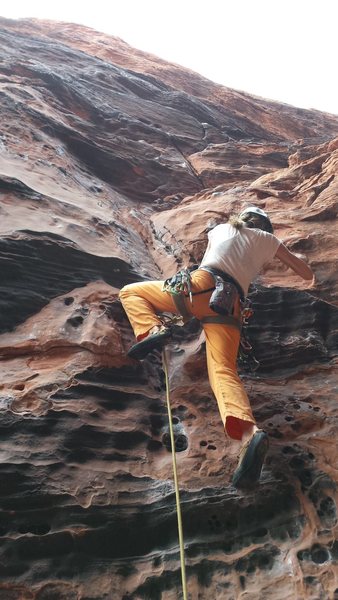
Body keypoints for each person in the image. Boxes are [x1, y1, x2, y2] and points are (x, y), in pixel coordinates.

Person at [119, 206, 315, 488]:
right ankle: (250, 434)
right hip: (231, 307)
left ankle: (152, 329)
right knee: (223, 372)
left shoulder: (222, 229)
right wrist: (298, 259)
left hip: (202, 287)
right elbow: (305, 273)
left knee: (131, 292)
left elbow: (214, 247)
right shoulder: (270, 241)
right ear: (266, 226)